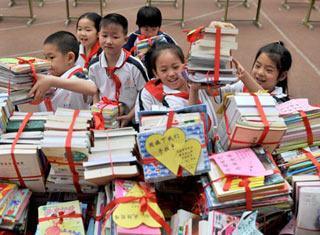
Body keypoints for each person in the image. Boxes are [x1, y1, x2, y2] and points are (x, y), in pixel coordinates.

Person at [135, 42, 218, 134]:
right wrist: (194, 90)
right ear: (155, 73)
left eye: (175, 67)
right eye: (164, 70)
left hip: (212, 144)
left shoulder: (197, 79)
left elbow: (226, 88)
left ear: (185, 64)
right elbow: (192, 128)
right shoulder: (148, 93)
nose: (171, 74)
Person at [89, 13, 149, 127]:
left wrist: (130, 116)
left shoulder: (134, 66)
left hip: (130, 119)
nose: (108, 41)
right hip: (103, 119)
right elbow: (94, 91)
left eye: (115, 37)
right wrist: (97, 112)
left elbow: (145, 94)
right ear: (98, 36)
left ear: (125, 39)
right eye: (104, 36)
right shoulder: (94, 66)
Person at [29, 31, 97, 111]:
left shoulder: (77, 75)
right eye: (45, 57)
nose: (47, 62)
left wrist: (52, 81)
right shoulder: (46, 76)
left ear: (70, 58)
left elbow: (92, 88)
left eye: (51, 57)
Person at [220, 41, 292, 103]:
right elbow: (218, 93)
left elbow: (266, 103)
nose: (260, 72)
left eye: (268, 70)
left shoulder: (281, 101)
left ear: (282, 76)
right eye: (258, 66)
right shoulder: (242, 86)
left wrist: (245, 77)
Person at [123, 6, 176, 78]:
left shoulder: (165, 38)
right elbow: (124, 53)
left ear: (159, 27)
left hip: (159, 73)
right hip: (138, 72)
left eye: (154, 29)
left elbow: (176, 53)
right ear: (139, 26)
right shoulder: (133, 37)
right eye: (146, 29)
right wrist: (135, 58)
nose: (150, 33)